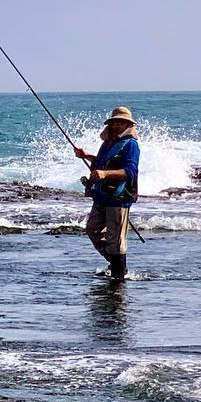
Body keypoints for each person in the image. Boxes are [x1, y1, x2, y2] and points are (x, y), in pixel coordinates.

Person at [75, 105, 140, 282]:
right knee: (92, 230)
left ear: (128, 125)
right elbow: (101, 162)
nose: (117, 125)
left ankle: (118, 277)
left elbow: (130, 171)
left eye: (121, 122)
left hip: (119, 197)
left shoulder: (131, 144)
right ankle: (117, 265)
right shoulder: (108, 143)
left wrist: (105, 174)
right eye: (115, 122)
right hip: (101, 195)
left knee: (116, 239)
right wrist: (86, 156)